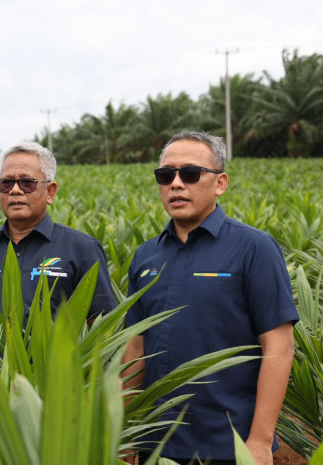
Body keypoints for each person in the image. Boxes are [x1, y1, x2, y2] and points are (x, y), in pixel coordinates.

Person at [123, 130, 298, 464]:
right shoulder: (144, 257)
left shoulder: (254, 248)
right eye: (165, 175)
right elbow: (135, 349)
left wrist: (260, 440)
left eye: (189, 174)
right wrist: (126, 432)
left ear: (220, 183)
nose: (175, 184)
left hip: (229, 444)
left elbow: (279, 346)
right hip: (154, 443)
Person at [0, 140, 115, 325]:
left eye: (27, 183)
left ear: (50, 192)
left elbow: (101, 328)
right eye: (6, 183)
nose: (15, 191)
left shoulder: (82, 249)